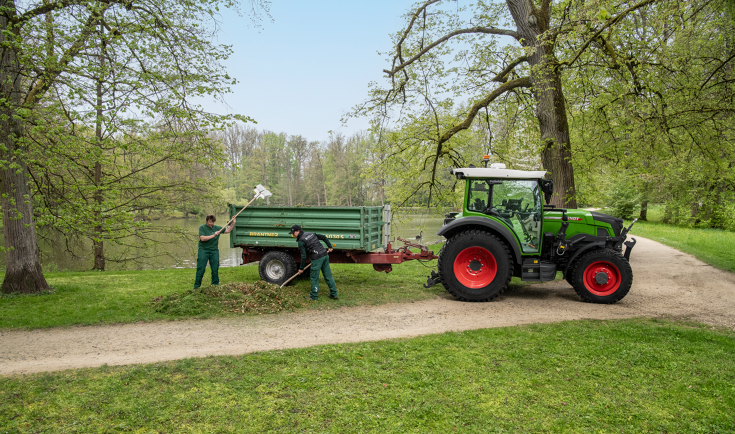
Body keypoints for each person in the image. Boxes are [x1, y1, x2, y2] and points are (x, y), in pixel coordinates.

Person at [290, 224, 338, 301]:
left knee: (314, 278)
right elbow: (323, 237)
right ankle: (334, 294)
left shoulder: (301, 241)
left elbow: (304, 256)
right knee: (328, 276)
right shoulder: (310, 233)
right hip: (325, 255)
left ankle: (313, 296)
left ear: (298, 231)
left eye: (293, 233)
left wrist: (301, 268)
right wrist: (330, 246)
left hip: (317, 258)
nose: (293, 234)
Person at [194, 214, 235, 289]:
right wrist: (214, 235)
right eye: (210, 222)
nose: (211, 224)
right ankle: (196, 287)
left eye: (213, 222)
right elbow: (202, 238)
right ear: (206, 221)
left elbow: (228, 230)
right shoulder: (202, 228)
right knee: (201, 268)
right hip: (203, 250)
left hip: (214, 251)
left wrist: (233, 222)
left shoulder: (217, 228)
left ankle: (215, 286)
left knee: (215, 269)